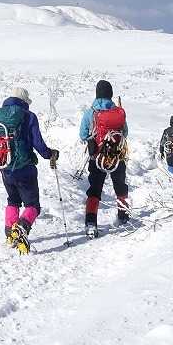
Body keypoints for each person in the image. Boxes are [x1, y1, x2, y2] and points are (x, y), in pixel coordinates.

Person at [0, 87, 58, 252]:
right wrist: (50, 154)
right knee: (33, 205)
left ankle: (10, 233)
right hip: (25, 168)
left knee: (13, 200)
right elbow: (38, 143)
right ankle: (21, 227)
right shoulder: (28, 116)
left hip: (5, 167)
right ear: (25, 101)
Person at [78, 79, 129, 237]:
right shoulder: (119, 112)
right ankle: (123, 215)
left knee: (94, 189)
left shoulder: (90, 112)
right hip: (117, 156)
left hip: (97, 157)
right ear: (111, 94)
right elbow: (125, 133)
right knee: (120, 186)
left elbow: (82, 135)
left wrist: (93, 139)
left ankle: (91, 223)